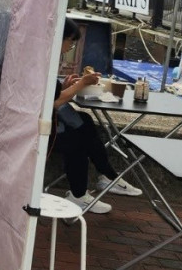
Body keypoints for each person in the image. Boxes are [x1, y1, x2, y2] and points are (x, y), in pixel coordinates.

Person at [53, 18, 141, 213]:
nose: (70, 47)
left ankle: (106, 177)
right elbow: (54, 102)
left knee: (85, 120)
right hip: (39, 128)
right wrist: (81, 84)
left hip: (49, 120)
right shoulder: (44, 60)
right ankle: (85, 191)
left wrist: (68, 86)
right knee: (77, 142)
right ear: (60, 38)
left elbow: (54, 96)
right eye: (71, 41)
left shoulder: (47, 59)